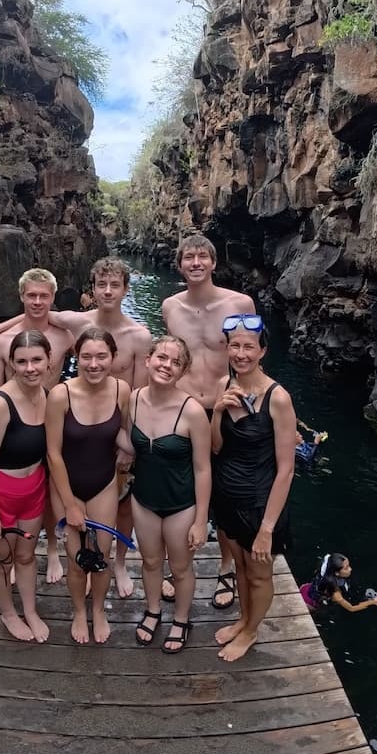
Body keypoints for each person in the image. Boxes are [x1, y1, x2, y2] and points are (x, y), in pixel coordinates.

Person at [0, 257, 151, 599]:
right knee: (51, 486)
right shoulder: (77, 323)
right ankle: (56, 549)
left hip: (111, 425)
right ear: (92, 289)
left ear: (126, 290)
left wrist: (127, 441)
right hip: (63, 421)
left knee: (121, 501)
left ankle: (117, 562)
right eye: (101, 284)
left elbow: (138, 395)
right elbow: (34, 313)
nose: (107, 291)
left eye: (115, 285)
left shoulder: (137, 336)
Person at [162, 234, 256, 611]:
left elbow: (250, 355)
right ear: (180, 265)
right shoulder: (170, 306)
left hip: (226, 406)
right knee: (180, 488)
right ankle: (176, 565)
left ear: (214, 262)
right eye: (189, 257)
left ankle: (226, 567)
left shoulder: (239, 303)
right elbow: (172, 358)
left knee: (226, 491)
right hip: (184, 407)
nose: (196, 263)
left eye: (203, 256)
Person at [0, 268, 74, 585]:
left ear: (53, 297)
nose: (37, 302)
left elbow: (97, 334)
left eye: (44, 296)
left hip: (50, 418)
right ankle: (17, 549)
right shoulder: (5, 342)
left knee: (50, 487)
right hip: (15, 423)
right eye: (31, 295)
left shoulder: (64, 336)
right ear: (21, 296)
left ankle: (53, 548)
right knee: (16, 486)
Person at [210, 313, 297, 661]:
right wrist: (217, 412)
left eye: (249, 347)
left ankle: (251, 631)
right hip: (226, 496)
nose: (241, 354)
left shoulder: (278, 398)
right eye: (235, 346)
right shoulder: (224, 384)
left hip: (260, 503)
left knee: (259, 573)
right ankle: (244, 620)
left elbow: (286, 470)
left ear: (262, 351)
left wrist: (267, 529)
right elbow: (216, 447)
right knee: (242, 567)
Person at [125, 336, 211, 653]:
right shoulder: (133, 399)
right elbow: (129, 442)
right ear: (148, 359)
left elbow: (203, 468)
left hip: (181, 504)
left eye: (176, 362)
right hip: (143, 499)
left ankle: (181, 619)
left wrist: (201, 520)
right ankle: (153, 610)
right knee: (150, 562)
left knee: (180, 567)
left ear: (183, 371)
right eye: (162, 357)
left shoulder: (193, 412)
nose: (167, 365)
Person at [45, 327, 131, 644]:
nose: (94, 364)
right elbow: (53, 454)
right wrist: (69, 505)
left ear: (113, 357)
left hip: (103, 483)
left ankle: (98, 609)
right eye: (86, 357)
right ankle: (79, 611)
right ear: (76, 358)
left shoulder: (122, 390)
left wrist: (128, 451)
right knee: (76, 558)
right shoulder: (60, 395)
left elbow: (124, 431)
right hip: (66, 485)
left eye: (101, 356)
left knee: (101, 556)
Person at [0, 329, 52, 643]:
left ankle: (30, 610)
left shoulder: (48, 396)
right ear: (11, 364)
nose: (30, 368)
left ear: (49, 361)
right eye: (22, 362)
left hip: (33, 487)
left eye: (36, 360)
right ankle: (8, 613)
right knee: (2, 559)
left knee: (26, 555)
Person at [300, 552, 377, 612]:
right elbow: (351, 608)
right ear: (337, 573)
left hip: (306, 588)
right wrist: (373, 602)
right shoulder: (335, 592)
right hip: (309, 603)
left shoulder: (327, 565)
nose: (350, 569)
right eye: (346, 568)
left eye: (349, 565)